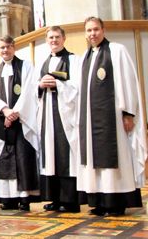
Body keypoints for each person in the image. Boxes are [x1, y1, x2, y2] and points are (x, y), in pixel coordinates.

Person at [77, 17, 147, 216]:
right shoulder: (85, 57)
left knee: (115, 158)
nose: (92, 34)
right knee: (93, 160)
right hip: (91, 121)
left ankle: (116, 203)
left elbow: (128, 83)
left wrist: (128, 113)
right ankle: (99, 201)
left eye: (96, 29)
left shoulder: (116, 51)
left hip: (113, 119)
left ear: (103, 29)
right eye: (89, 30)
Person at [0, 35, 39, 211]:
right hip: (3, 121)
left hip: (22, 121)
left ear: (13, 47)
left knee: (22, 158)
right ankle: (7, 197)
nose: (5, 50)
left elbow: (30, 91)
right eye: (2, 47)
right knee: (4, 158)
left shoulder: (26, 67)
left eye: (8, 47)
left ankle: (24, 198)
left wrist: (15, 113)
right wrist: (5, 111)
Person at [36, 26, 80, 212]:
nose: (53, 40)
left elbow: (78, 87)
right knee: (50, 155)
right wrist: (39, 85)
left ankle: (70, 201)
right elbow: (34, 90)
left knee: (64, 155)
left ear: (64, 38)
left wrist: (58, 85)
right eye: (50, 38)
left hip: (65, 115)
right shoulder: (43, 62)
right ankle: (54, 198)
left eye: (56, 37)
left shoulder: (73, 60)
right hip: (47, 114)